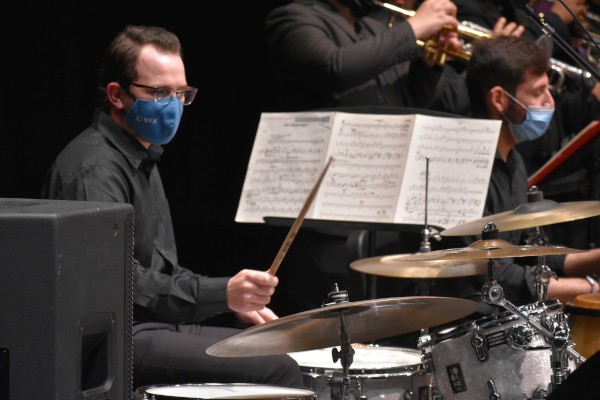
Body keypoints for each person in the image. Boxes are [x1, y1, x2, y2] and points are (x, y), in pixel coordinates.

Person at [40, 25, 305, 390]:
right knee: (276, 369)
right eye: (160, 92)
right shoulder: (96, 170)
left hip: (153, 324)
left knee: (284, 346)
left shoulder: (142, 155)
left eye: (181, 93)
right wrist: (221, 293)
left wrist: (228, 301)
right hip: (119, 337)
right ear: (117, 95)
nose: (174, 106)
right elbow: (118, 283)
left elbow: (162, 271)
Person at [429, 36, 600, 313]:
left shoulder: (514, 161)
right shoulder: (461, 171)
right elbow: (499, 278)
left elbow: (524, 256)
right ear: (498, 99)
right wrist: (590, 289)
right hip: (467, 325)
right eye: (537, 92)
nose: (549, 101)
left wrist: (593, 260)